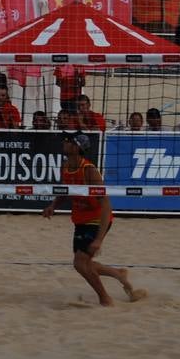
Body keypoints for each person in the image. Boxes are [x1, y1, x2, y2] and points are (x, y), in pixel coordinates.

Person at [42, 131, 144, 307]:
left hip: (98, 219)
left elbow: (106, 206)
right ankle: (118, 273)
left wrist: (98, 239)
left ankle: (105, 299)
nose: (64, 143)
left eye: (68, 141)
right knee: (84, 263)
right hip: (80, 220)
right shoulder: (66, 166)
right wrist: (53, 205)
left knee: (80, 263)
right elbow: (65, 190)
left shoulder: (89, 171)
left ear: (77, 147)